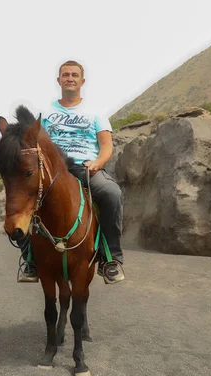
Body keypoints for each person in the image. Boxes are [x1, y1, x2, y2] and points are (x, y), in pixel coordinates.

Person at [18, 60, 125, 284]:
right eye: (65, 74)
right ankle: (30, 260)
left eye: (74, 75)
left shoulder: (96, 113)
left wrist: (97, 163)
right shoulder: (45, 113)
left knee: (112, 194)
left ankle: (110, 259)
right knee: (22, 199)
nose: (70, 78)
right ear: (59, 80)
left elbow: (106, 146)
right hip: (53, 171)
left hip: (86, 168)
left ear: (82, 81)